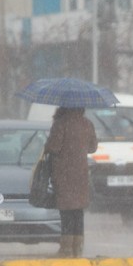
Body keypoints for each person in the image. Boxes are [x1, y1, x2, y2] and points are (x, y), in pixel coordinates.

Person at [45, 107, 98, 257]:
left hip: (64, 173)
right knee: (78, 212)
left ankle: (66, 248)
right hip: (81, 174)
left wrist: (47, 144)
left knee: (66, 211)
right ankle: (78, 248)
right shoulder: (87, 124)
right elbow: (93, 147)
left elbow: (53, 147)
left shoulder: (61, 124)